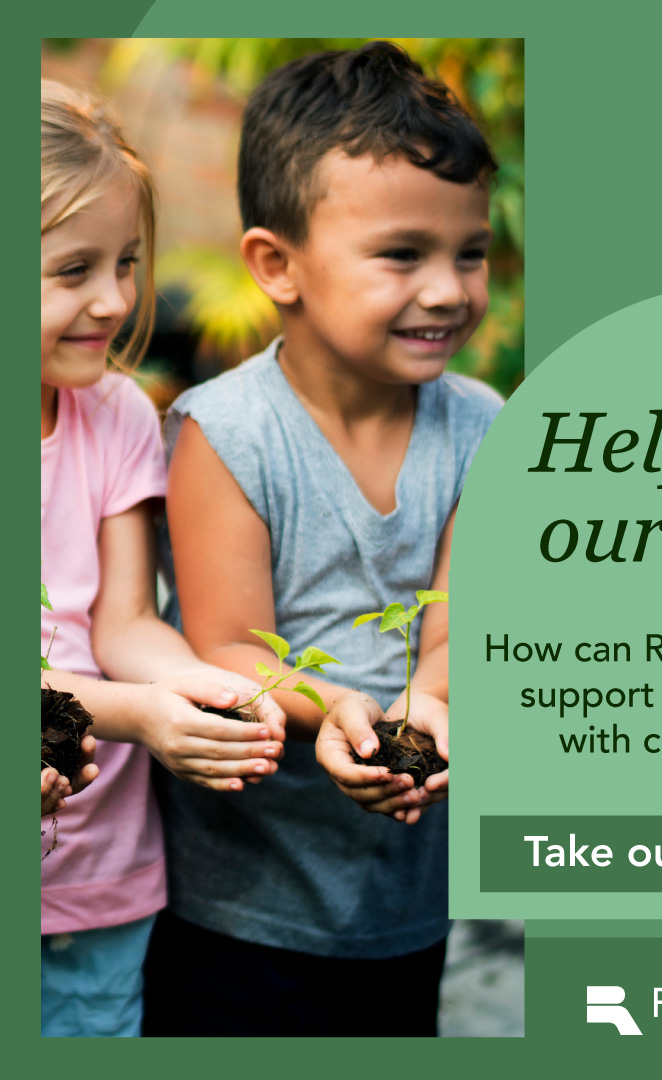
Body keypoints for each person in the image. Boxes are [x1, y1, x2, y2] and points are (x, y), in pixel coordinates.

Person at [143, 42, 503, 1036]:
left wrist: (431, 704)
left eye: (468, 253)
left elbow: (457, 624)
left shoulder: (482, 428)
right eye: (402, 255)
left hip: (403, 899)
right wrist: (336, 707)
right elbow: (227, 643)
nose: (448, 290)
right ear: (276, 266)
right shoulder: (227, 433)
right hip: (239, 900)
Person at [40, 80, 286, 1038]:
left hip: (100, 875)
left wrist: (199, 692)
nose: (113, 299)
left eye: (127, 263)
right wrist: (142, 714)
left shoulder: (117, 417)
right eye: (72, 271)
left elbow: (127, 622)